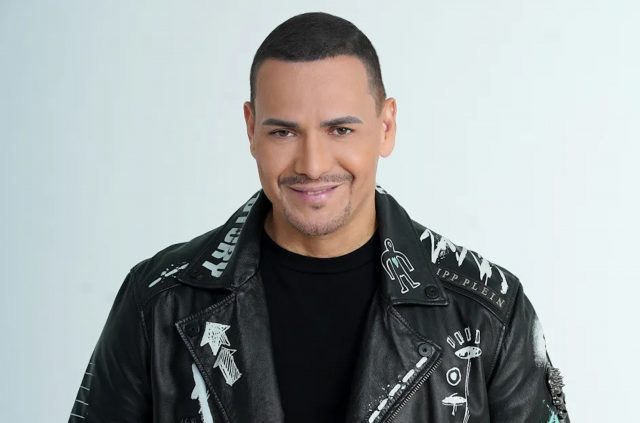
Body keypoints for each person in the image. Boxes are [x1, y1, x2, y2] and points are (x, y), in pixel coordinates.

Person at [68, 11, 569, 423]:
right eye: (283, 132)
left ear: (386, 126)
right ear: (250, 129)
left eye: (340, 130)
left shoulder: (489, 311)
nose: (311, 165)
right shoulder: (158, 301)